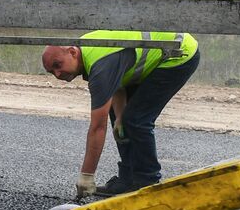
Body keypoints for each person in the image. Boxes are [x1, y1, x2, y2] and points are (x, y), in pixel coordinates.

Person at [41, 30, 201, 198]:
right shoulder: (87, 53)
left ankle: (147, 182)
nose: (58, 74)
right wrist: (119, 117)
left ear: (72, 52)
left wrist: (86, 177)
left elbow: (97, 128)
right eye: (52, 72)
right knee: (121, 118)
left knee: (136, 119)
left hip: (177, 53)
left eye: (58, 65)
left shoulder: (100, 65)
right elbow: (117, 82)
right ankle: (128, 180)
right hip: (151, 54)